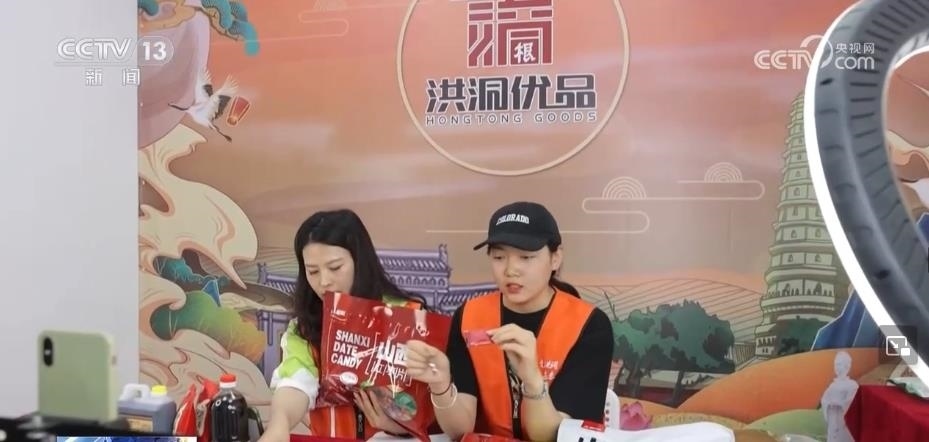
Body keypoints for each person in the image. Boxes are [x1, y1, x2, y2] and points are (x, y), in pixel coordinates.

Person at [404, 201, 614, 442]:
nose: (511, 270)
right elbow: (460, 430)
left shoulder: (589, 325)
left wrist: (532, 380)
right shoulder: (469, 316)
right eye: (499, 257)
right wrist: (441, 385)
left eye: (526, 257)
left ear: (555, 258)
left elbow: (553, 437)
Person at [259, 209, 428, 441]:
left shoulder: (409, 318)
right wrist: (279, 424)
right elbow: (295, 382)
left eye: (335, 267)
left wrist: (397, 425)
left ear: (359, 262)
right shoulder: (304, 329)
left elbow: (434, 405)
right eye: (313, 271)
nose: (324, 281)